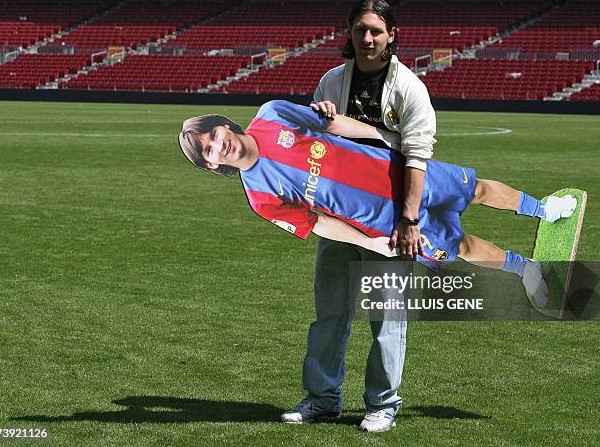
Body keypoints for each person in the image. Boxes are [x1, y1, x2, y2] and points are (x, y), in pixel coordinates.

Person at [177, 100, 577, 428]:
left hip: (401, 173)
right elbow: (320, 223)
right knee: (462, 247)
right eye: (209, 150)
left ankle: (545, 209)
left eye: (214, 134)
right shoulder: (261, 198)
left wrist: (384, 136)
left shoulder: (271, 115)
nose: (218, 145)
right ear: (211, 165)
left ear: (224, 125)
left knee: (476, 189)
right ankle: (525, 269)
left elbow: (330, 124)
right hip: (388, 225)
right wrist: (370, 241)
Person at [296, 0, 436, 432]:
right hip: (338, 219)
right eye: (361, 30)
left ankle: (383, 404)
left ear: (392, 36)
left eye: (376, 30)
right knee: (331, 314)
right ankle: (322, 399)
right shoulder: (332, 82)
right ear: (350, 34)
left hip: (389, 222)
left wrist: (409, 221)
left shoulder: (409, 88)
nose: (368, 38)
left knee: (386, 318)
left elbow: (418, 158)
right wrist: (319, 121)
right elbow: (312, 151)